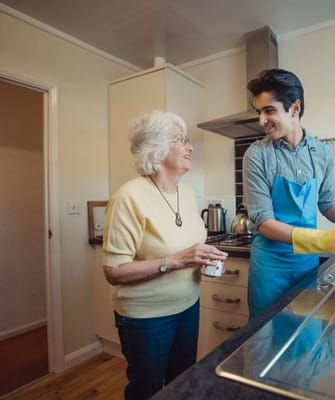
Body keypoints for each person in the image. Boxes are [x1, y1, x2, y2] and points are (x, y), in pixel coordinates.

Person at [102, 110, 228, 400]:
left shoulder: (187, 192)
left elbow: (187, 243)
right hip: (147, 317)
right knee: (146, 389)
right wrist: (179, 260)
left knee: (182, 383)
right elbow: (113, 271)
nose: (190, 147)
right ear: (156, 149)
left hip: (188, 306)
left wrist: (203, 259)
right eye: (181, 140)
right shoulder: (128, 197)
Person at [243, 69, 335, 319]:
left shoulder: (322, 152)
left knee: (304, 334)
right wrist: (324, 241)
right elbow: (264, 223)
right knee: (265, 339)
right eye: (259, 112)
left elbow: (327, 202)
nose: (261, 121)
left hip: (306, 266)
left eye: (269, 110)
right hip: (269, 267)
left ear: (294, 108)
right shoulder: (256, 155)